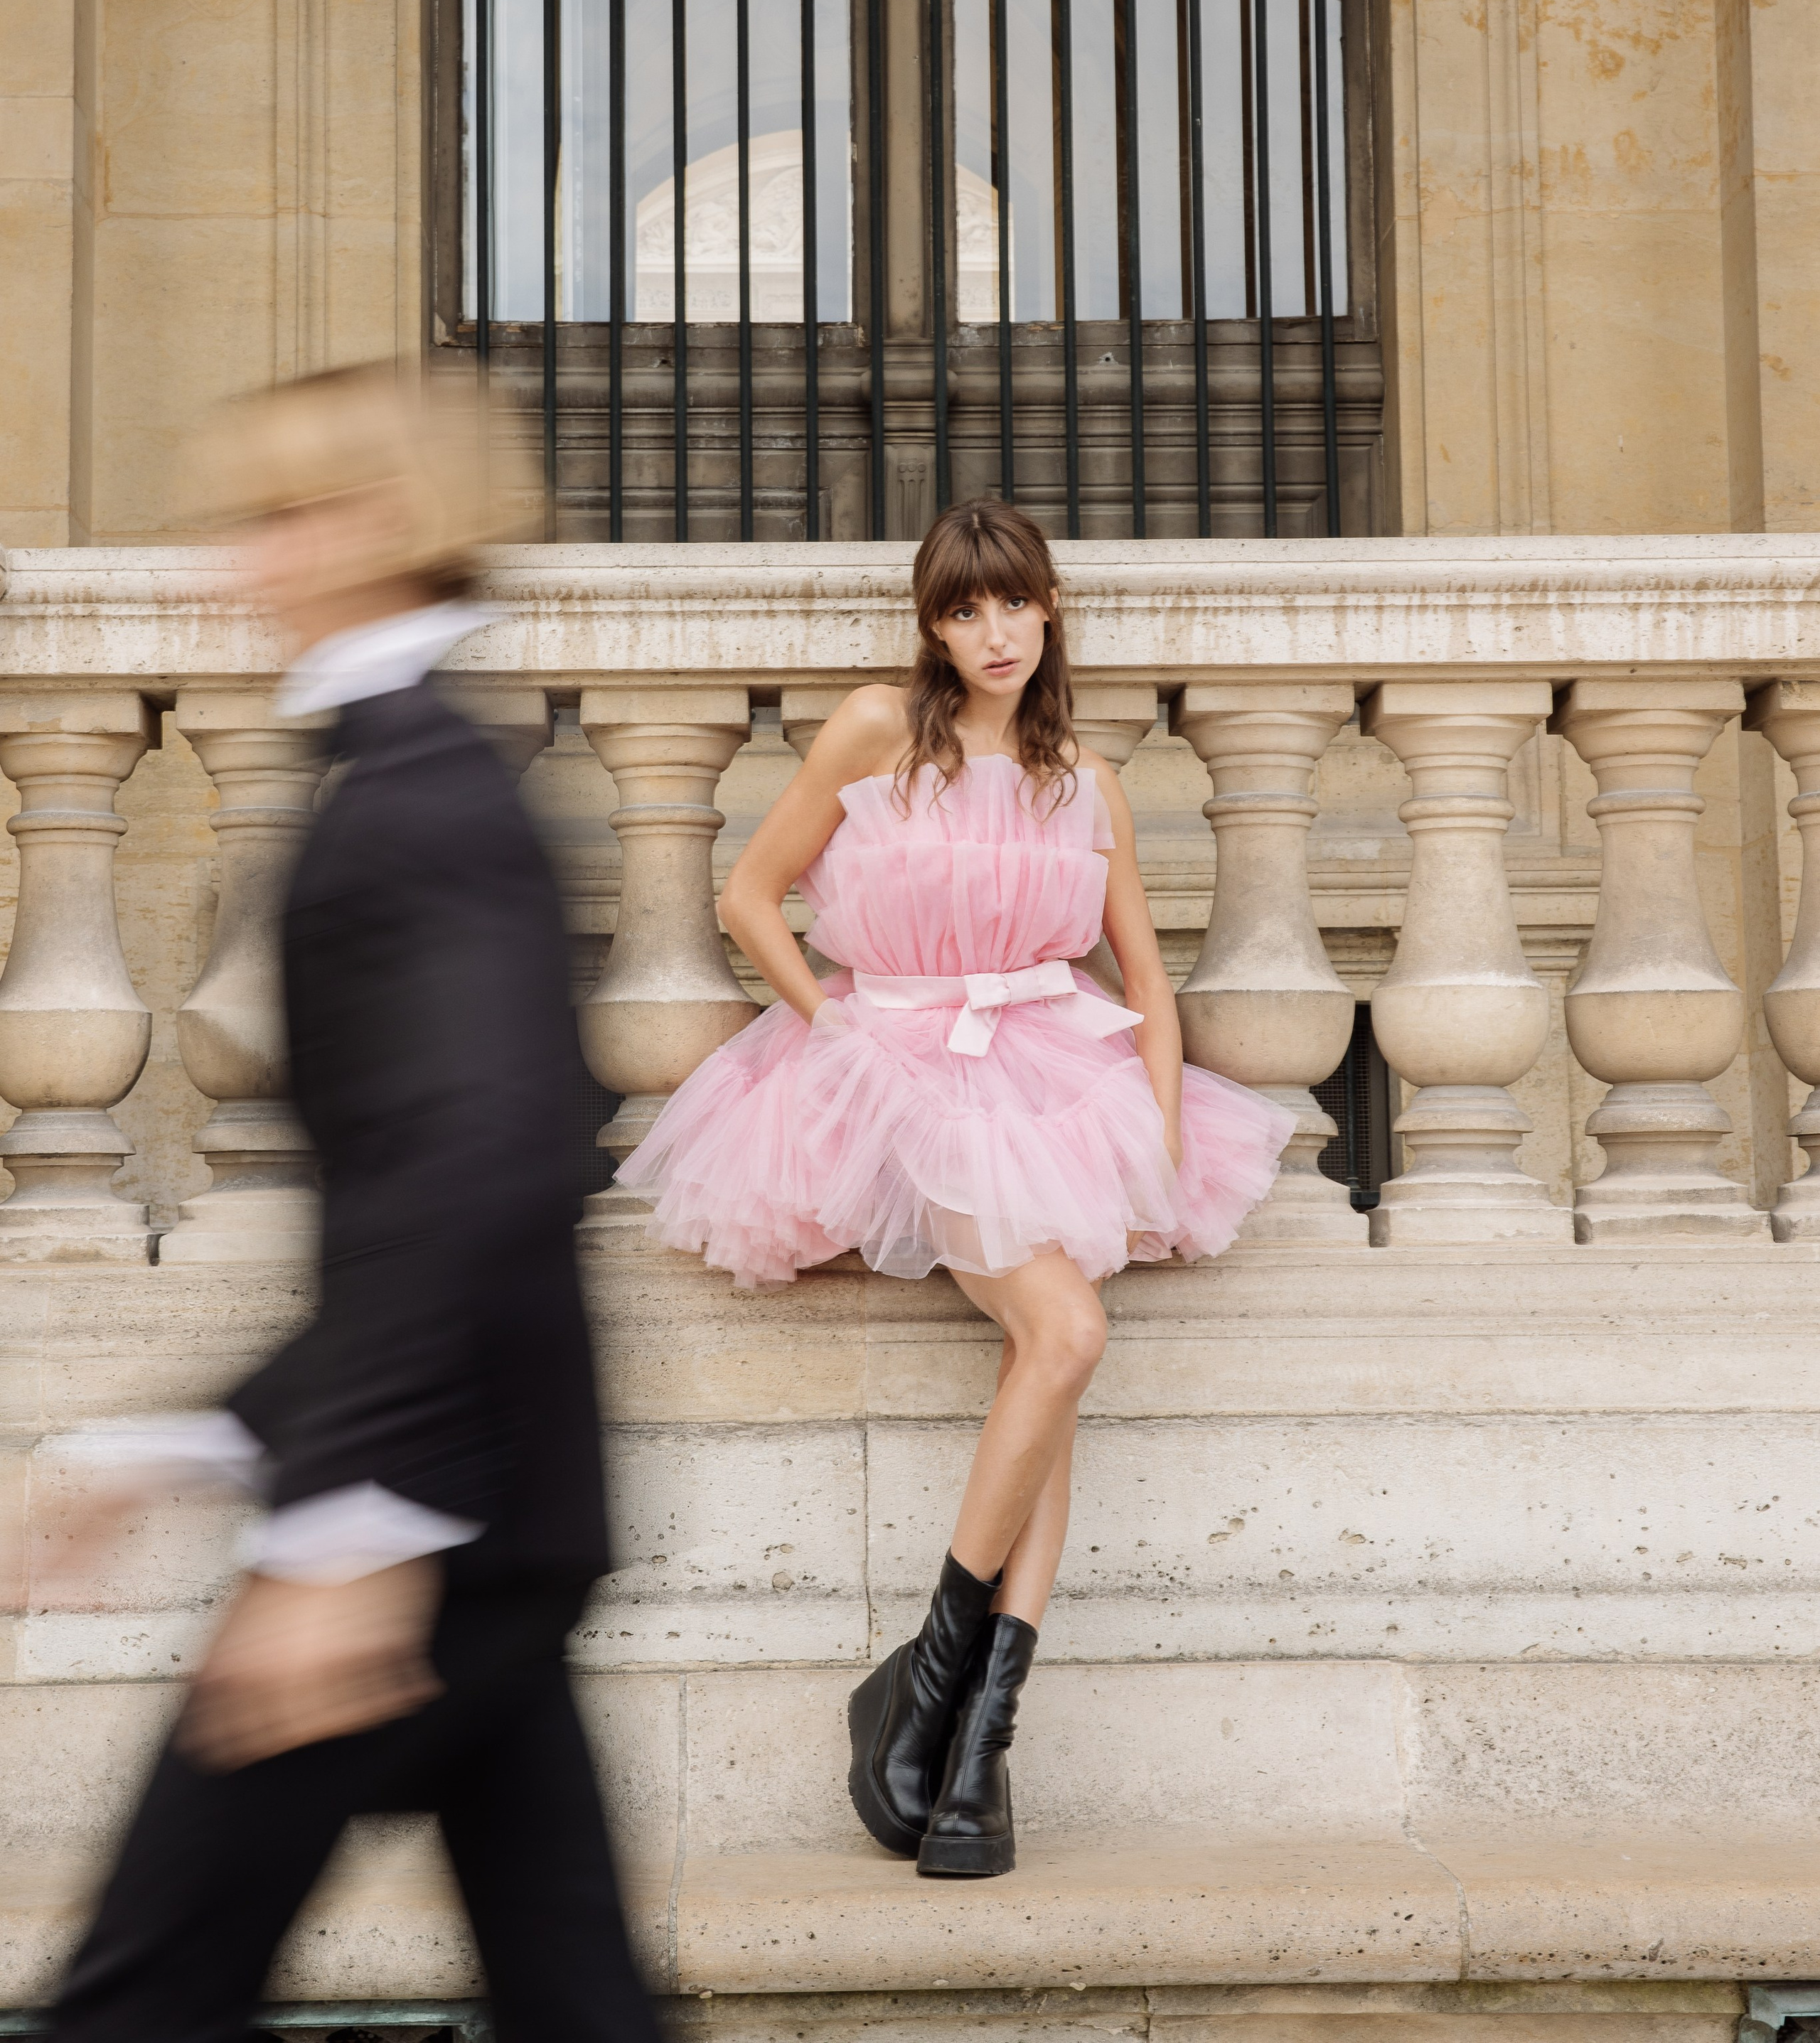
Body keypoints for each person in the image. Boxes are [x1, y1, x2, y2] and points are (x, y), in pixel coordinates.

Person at [41, 367, 658, 2043]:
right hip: (488, 1505)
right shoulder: (408, 779)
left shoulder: (420, 802)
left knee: (141, 1999)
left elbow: (484, 1168)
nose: (228, 567)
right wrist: (179, 1447)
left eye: (276, 517)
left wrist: (348, 1528)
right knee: (575, 1998)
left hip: (430, 1519)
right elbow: (418, 1196)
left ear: (381, 524)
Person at [617, 498, 1292, 1881]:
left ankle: (972, 1743)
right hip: (905, 1064)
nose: (992, 633)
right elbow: (750, 896)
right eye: (962, 609)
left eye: (1013, 605)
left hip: (1058, 1072)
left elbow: (1145, 985)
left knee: (1046, 1361)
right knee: (1065, 1337)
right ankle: (935, 1692)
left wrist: (1154, 1142)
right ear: (931, 626)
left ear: (1049, 613)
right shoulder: (878, 730)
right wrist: (836, 1029)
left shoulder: (1082, 780)